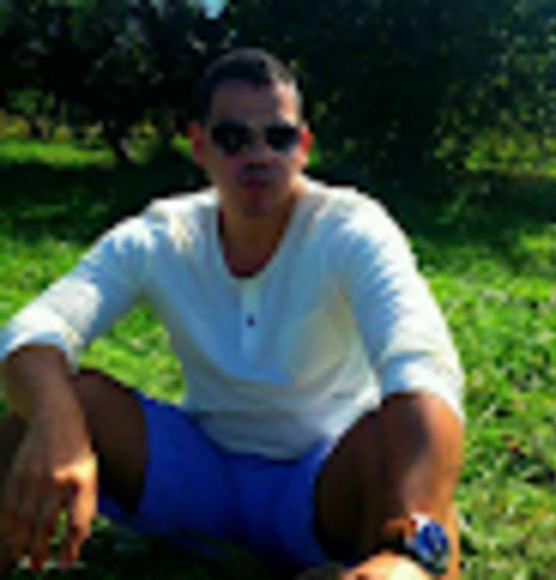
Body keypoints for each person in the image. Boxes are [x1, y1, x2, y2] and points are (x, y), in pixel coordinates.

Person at [0, 48, 464, 579]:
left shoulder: (351, 229)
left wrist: (413, 544)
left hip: (320, 484)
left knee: (391, 446)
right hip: (201, 476)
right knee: (61, 401)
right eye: (233, 137)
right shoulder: (163, 235)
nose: (259, 154)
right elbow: (34, 330)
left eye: (278, 137)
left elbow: (420, 364)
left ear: (303, 147)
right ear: (200, 146)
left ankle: (401, 562)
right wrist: (58, 429)